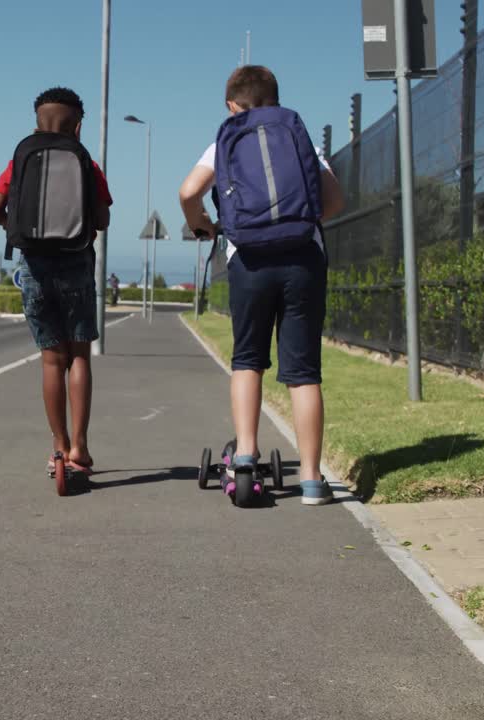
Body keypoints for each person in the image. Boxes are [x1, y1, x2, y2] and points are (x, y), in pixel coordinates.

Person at [178, 65, 345, 505]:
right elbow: (334, 200)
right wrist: (296, 223)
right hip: (303, 260)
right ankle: (311, 480)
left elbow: (188, 191)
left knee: (248, 359)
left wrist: (205, 226)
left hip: (248, 260)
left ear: (232, 105)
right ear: (276, 99)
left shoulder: (226, 139)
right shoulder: (298, 136)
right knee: (304, 371)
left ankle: (247, 457)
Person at [0, 87, 113, 475]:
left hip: (35, 267)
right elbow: (103, 220)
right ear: (78, 125)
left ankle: (57, 447)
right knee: (78, 357)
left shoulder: (19, 161)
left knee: (51, 360)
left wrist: (16, 231)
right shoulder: (87, 164)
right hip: (76, 265)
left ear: (37, 122)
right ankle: (80, 448)